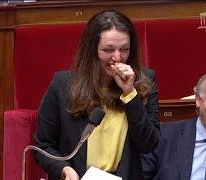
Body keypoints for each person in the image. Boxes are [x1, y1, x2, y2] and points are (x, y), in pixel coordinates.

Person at [34, 10, 160, 180]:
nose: (118, 58)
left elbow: (148, 144)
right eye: (108, 50)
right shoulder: (62, 85)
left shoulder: (145, 80)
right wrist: (63, 169)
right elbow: (44, 145)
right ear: (92, 50)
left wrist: (130, 93)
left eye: (125, 49)